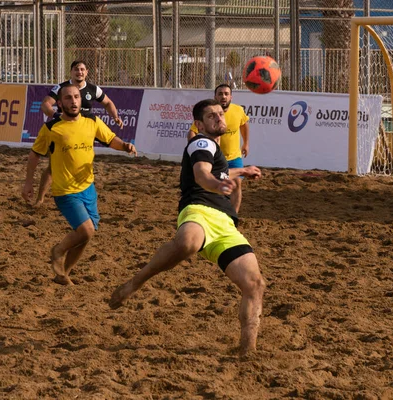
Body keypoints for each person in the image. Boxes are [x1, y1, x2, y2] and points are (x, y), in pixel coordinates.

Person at [110, 99, 265, 357]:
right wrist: (216, 185)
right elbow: (202, 174)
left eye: (220, 114)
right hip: (199, 209)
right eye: (211, 115)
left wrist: (241, 172)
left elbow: (219, 173)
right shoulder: (201, 142)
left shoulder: (216, 149)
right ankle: (135, 282)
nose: (218, 118)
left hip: (225, 223)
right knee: (188, 243)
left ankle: (247, 351)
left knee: (255, 284)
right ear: (199, 124)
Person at [22, 83, 137, 285]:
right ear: (59, 103)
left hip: (88, 188)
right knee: (86, 230)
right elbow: (34, 156)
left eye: (76, 97)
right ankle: (58, 250)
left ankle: (63, 274)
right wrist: (28, 183)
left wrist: (125, 146)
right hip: (65, 191)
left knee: (86, 235)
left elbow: (110, 139)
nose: (74, 101)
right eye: (68, 98)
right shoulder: (51, 128)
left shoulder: (91, 121)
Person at [33, 60, 125, 206]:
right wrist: (56, 116)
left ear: (87, 72)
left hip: (84, 131)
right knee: (52, 167)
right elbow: (45, 104)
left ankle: (79, 197)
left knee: (83, 162)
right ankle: (40, 199)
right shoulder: (62, 88)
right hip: (65, 131)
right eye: (76, 69)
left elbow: (108, 102)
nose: (79, 72)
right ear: (71, 72)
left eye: (82, 69)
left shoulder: (93, 89)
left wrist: (115, 116)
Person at [188, 84, 249, 213]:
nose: (223, 96)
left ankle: (233, 216)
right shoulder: (207, 115)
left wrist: (246, 143)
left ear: (231, 96)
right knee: (210, 186)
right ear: (215, 96)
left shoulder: (238, 110)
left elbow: (244, 125)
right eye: (220, 94)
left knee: (237, 185)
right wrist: (194, 149)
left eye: (226, 93)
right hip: (214, 159)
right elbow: (192, 131)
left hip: (234, 156)